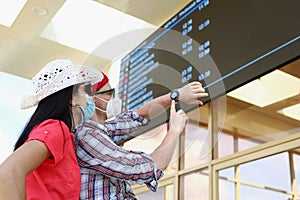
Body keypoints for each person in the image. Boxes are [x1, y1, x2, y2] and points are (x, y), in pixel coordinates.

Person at [74, 72, 208, 199]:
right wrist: (174, 130)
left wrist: (176, 95)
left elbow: (139, 116)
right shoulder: (87, 136)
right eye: (109, 93)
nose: (113, 98)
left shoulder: (102, 130)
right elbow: (147, 167)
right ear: (91, 99)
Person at [0, 59, 103, 200]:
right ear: (71, 98)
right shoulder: (55, 128)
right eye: (84, 90)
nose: (88, 97)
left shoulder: (61, 133)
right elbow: (8, 172)